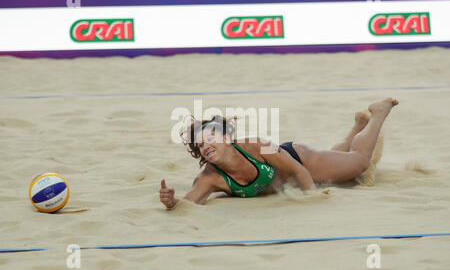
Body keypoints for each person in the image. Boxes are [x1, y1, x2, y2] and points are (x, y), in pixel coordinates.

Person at [160, 98, 399, 209]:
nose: (206, 146)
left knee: (358, 165)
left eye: (210, 138)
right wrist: (171, 202)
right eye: (201, 145)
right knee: (340, 169)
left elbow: (297, 170)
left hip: (297, 159)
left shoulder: (256, 144)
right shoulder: (210, 178)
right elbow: (188, 204)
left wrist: (312, 198)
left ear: (226, 138)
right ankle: (357, 127)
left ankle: (378, 113)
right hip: (288, 177)